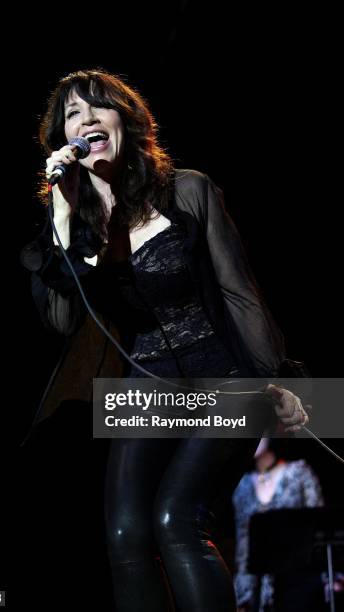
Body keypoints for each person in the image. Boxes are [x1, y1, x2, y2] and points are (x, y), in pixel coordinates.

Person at [21, 69, 309, 612]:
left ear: (125, 121)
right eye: (73, 115)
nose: (86, 120)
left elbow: (240, 293)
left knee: (176, 519)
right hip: (146, 384)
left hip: (224, 375)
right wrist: (60, 214)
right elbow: (63, 321)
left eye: (98, 108)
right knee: (125, 536)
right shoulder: (75, 228)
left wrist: (273, 382)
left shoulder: (188, 191)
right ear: (64, 139)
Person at [232, 438, 324, 612]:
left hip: (298, 581)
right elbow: (242, 544)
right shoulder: (242, 485)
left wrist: (331, 577)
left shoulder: (299, 472)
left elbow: (320, 529)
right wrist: (240, 592)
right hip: (256, 587)